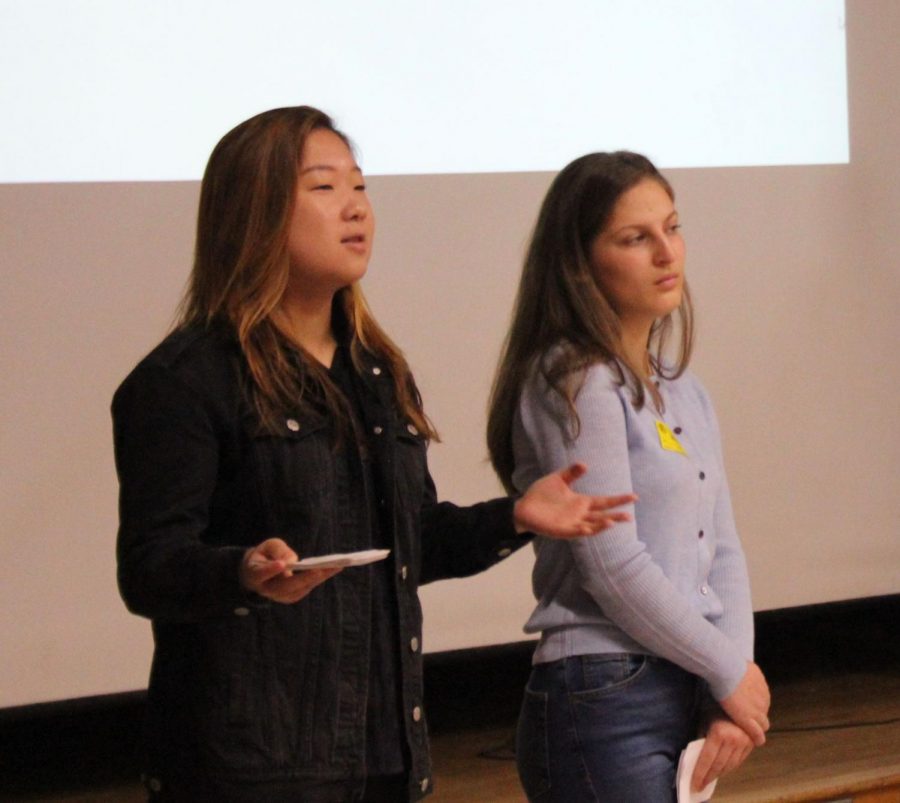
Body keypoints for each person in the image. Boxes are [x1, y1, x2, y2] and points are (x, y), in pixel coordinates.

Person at [112, 106, 636, 803]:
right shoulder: (186, 378)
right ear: (255, 212)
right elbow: (149, 568)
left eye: (360, 186)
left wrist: (515, 516)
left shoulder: (376, 371)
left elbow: (408, 541)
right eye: (324, 187)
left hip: (383, 755)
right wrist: (241, 570)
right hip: (251, 769)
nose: (355, 208)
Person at [486, 151, 771, 801]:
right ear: (580, 262)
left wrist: (728, 691)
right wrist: (728, 668)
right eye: (635, 238)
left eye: (672, 228)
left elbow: (722, 549)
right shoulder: (575, 377)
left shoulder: (685, 391)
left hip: (684, 682)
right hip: (603, 692)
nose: (667, 253)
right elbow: (611, 563)